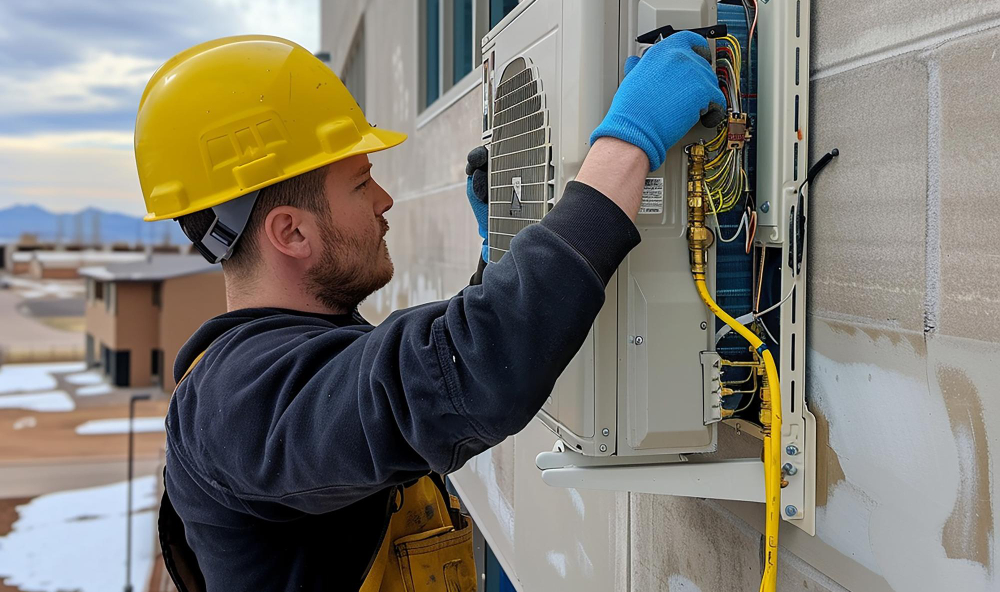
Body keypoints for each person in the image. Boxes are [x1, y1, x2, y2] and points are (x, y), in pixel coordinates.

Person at [134, 33, 724, 591]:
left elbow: (404, 379)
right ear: (291, 233)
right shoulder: (236, 401)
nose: (385, 199)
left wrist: (495, 267)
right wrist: (628, 142)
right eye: (362, 183)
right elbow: (462, 373)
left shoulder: (290, 368)